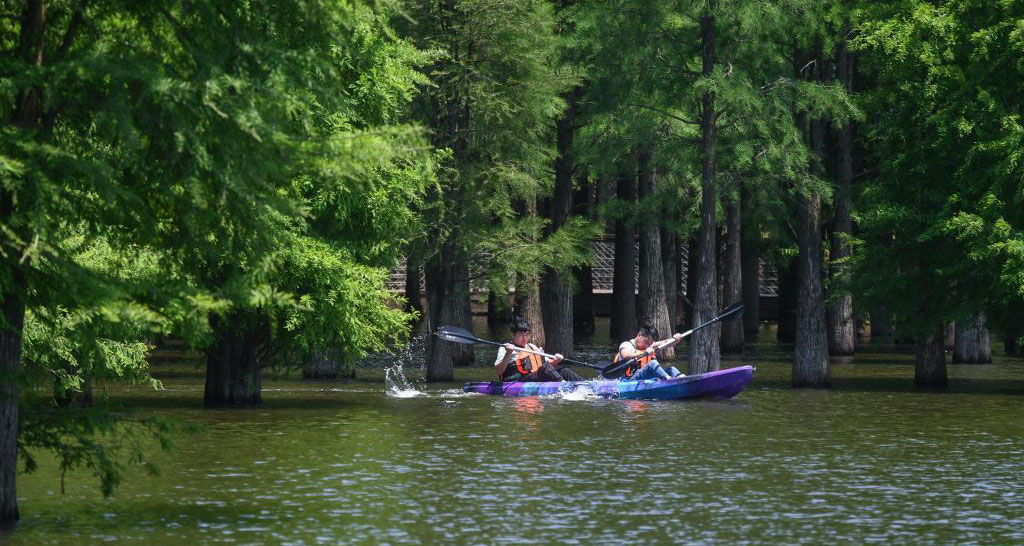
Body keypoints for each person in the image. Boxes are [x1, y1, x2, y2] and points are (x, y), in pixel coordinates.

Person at [495, 317, 584, 382]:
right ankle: (564, 386)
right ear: (513, 335)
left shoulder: (532, 347)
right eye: (521, 334)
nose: (525, 338)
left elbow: (549, 364)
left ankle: (585, 385)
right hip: (520, 381)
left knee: (564, 370)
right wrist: (508, 353)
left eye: (527, 334)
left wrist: (557, 360)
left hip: (536, 377)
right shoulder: (505, 348)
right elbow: (499, 371)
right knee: (544, 367)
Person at [613, 323, 685, 381]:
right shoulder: (626, 345)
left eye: (650, 344)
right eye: (647, 342)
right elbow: (624, 355)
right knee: (653, 363)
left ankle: (682, 378)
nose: (648, 346)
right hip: (628, 380)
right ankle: (669, 381)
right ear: (639, 335)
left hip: (642, 377)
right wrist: (643, 353)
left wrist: (675, 339)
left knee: (672, 369)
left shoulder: (648, 346)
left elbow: (666, 343)